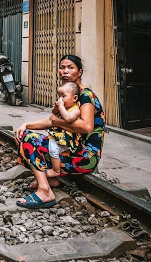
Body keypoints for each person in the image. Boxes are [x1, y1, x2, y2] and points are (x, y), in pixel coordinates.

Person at [14, 54, 105, 210]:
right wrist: (26, 125)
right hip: (69, 149)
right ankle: (51, 181)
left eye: (70, 67)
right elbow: (51, 121)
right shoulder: (67, 95)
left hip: (85, 156)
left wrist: (57, 122)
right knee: (25, 135)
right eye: (62, 67)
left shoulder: (85, 96)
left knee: (31, 142)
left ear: (80, 72)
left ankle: (45, 192)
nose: (65, 71)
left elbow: (87, 127)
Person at [16, 82, 81, 180]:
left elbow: (68, 118)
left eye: (63, 96)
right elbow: (53, 115)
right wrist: (56, 108)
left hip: (66, 140)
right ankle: (49, 180)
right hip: (58, 138)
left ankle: (56, 170)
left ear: (74, 98)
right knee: (42, 146)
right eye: (59, 96)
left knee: (53, 150)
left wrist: (61, 107)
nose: (60, 99)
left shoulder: (75, 110)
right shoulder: (63, 107)